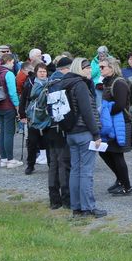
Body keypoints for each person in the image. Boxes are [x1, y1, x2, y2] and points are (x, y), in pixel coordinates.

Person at [55, 56, 107, 219]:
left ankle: (76, 207)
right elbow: (87, 112)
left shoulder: (65, 84)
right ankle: (88, 207)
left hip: (70, 133)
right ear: (79, 69)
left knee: (75, 171)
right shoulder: (80, 85)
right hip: (84, 132)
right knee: (86, 172)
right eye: (87, 68)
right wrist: (96, 134)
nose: (90, 70)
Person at [97, 57, 132, 197]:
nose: (100, 69)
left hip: (120, 124)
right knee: (104, 151)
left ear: (111, 68)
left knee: (117, 154)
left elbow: (120, 105)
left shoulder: (119, 83)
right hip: (111, 124)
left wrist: (104, 114)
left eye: (102, 67)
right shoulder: (108, 82)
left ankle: (127, 186)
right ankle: (120, 180)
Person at [41, 64, 70, 210]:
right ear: (66, 68)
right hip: (60, 128)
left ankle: (53, 199)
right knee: (63, 163)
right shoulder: (63, 83)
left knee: (53, 164)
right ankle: (66, 198)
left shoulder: (47, 83)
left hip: (47, 127)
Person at [0, 52, 21, 167]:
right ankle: (10, 159)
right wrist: (17, 106)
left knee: (2, 133)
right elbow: (12, 92)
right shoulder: (8, 74)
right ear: (8, 61)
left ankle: (4, 158)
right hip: (8, 106)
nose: (13, 65)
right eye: (12, 62)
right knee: (9, 133)